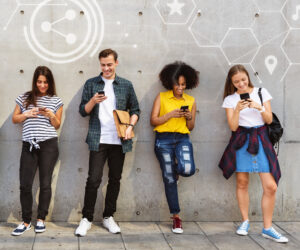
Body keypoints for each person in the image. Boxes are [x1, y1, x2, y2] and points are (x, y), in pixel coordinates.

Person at [219, 65, 288, 243]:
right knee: (242, 182)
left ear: (248, 77)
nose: (241, 84)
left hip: (261, 138)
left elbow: (269, 120)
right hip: (241, 139)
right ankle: (245, 221)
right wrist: (237, 110)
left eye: (243, 79)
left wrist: (258, 107)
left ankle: (267, 228)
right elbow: (233, 127)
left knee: (271, 186)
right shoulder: (230, 99)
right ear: (231, 83)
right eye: (236, 82)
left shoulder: (261, 92)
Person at [75, 48, 140, 236]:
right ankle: (86, 218)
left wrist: (130, 127)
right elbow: (82, 111)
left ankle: (108, 216)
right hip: (98, 138)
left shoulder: (126, 85)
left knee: (115, 179)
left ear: (116, 63)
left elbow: (136, 110)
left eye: (109, 64)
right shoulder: (91, 83)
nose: (106, 68)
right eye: (103, 65)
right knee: (93, 179)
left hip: (119, 139)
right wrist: (93, 101)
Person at [11, 66, 63, 236]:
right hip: (29, 145)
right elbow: (14, 119)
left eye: (45, 82)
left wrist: (50, 115)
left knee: (45, 184)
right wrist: (27, 114)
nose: (42, 85)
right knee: (25, 184)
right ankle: (26, 221)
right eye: (39, 82)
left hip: (48, 144)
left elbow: (57, 125)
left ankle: (41, 219)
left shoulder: (56, 100)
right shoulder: (24, 97)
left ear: (50, 83)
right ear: (35, 81)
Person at [150, 61, 198, 234]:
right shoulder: (161, 97)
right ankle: (176, 218)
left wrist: (187, 116)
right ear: (171, 82)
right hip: (163, 140)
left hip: (183, 139)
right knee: (169, 179)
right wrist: (170, 115)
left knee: (187, 169)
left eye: (183, 84)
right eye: (178, 84)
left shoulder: (191, 101)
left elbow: (191, 126)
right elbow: (153, 121)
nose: (180, 87)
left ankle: (176, 170)